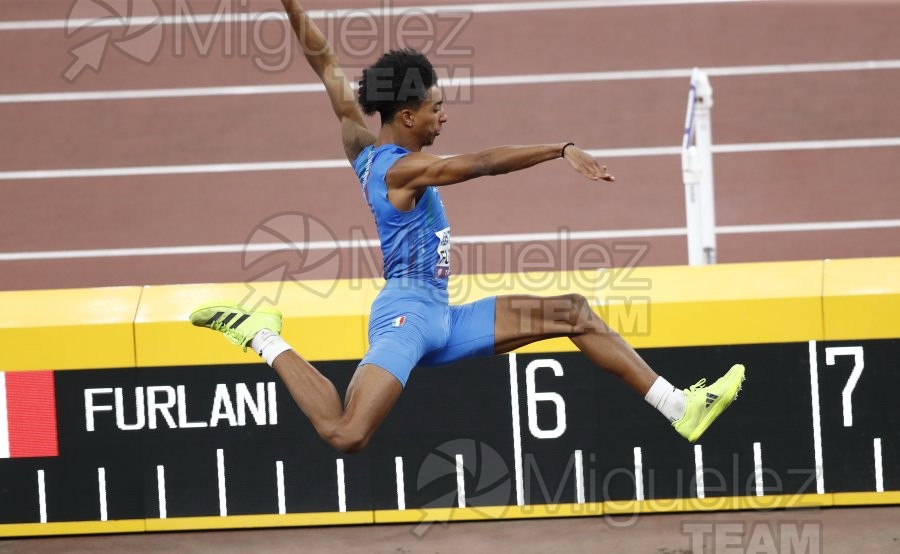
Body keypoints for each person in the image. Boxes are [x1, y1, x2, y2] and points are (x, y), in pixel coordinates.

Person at [190, 0, 745, 453]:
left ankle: (679, 407)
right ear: (407, 117)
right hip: (407, 316)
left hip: (442, 313)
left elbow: (325, 64)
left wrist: (290, 6)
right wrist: (560, 149)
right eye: (436, 107)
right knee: (346, 433)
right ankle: (261, 333)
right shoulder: (403, 171)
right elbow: (479, 164)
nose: (443, 115)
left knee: (574, 312)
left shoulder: (360, 144)